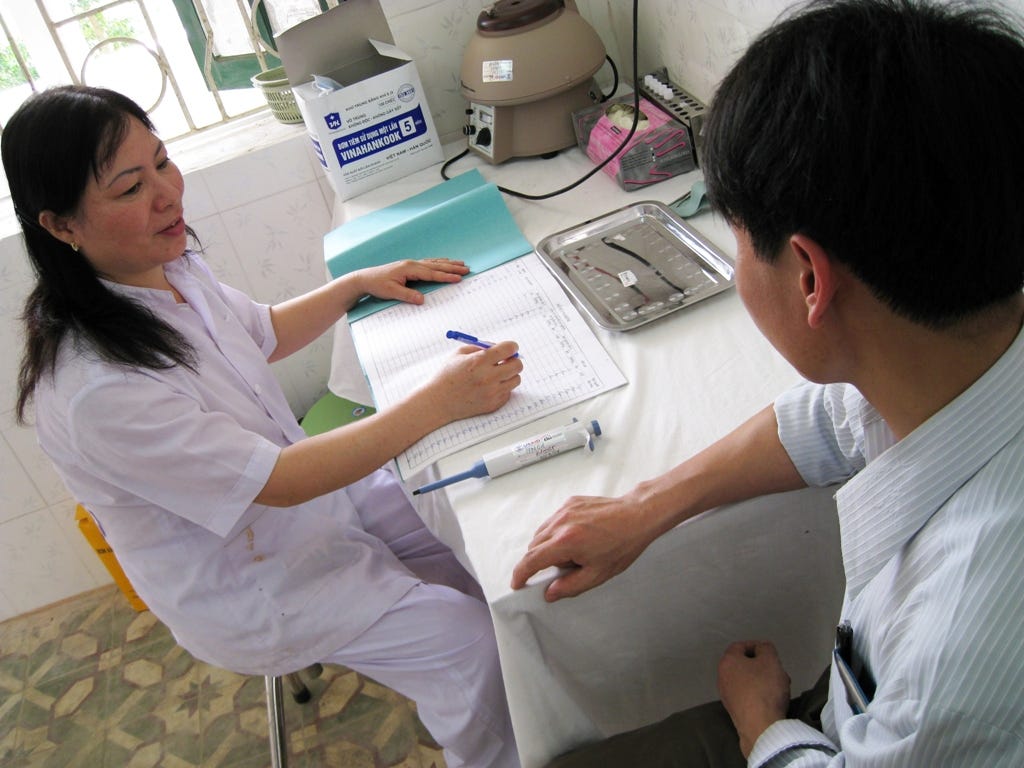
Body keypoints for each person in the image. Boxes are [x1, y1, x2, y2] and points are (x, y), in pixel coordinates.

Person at [511, 0, 1024, 765]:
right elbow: (831, 422)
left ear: (812, 278)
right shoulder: (958, 353)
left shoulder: (951, 653)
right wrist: (645, 507)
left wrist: (765, 727)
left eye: (739, 238)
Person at [3, 85, 524, 767]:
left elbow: (260, 333)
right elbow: (276, 483)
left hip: (314, 510)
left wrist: (354, 284)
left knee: (476, 533)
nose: (166, 194)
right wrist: (438, 401)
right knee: (468, 647)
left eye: (163, 162)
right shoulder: (95, 388)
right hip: (263, 584)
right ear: (61, 225)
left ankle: (516, 701)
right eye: (131, 187)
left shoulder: (163, 267)